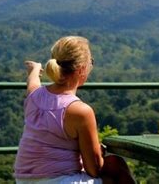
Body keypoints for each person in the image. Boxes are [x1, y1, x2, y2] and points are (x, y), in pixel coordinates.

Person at [14, 36, 134, 184]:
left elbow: (32, 81)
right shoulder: (80, 111)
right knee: (117, 171)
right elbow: (94, 169)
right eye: (91, 62)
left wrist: (35, 69)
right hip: (60, 181)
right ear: (82, 69)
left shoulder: (34, 97)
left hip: (22, 180)